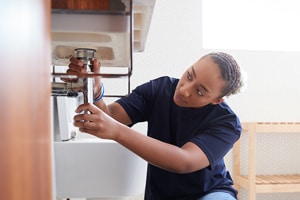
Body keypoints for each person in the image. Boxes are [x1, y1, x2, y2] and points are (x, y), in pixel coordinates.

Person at [67, 52, 245, 200]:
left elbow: (184, 161)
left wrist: (116, 132)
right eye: (189, 75)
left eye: (199, 91)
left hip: (209, 193)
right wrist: (95, 87)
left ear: (216, 100)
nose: (185, 90)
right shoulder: (159, 89)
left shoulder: (227, 123)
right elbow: (112, 116)